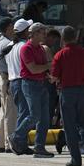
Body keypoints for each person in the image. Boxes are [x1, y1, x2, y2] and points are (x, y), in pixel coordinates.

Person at [50, 25, 84, 166]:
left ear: (63, 39)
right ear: (75, 37)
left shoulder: (59, 55)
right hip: (82, 92)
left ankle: (76, 159)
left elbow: (54, 78)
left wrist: (50, 77)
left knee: (69, 126)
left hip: (67, 92)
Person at [11, 22, 54, 157]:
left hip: (41, 84)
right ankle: (16, 136)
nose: (44, 35)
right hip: (30, 84)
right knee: (34, 115)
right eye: (42, 32)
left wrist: (49, 74)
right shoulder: (26, 48)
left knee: (44, 118)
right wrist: (48, 65)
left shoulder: (41, 49)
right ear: (34, 34)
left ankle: (39, 146)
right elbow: (33, 68)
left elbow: (41, 68)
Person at [3, 19, 31, 153]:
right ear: (25, 31)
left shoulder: (10, 45)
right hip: (22, 80)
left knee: (22, 112)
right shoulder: (24, 46)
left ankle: (21, 142)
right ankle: (19, 141)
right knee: (26, 113)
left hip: (13, 80)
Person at [0, 19, 18, 152]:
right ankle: (10, 144)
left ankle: (1, 143)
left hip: (2, 78)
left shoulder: (0, 41)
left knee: (4, 112)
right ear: (8, 28)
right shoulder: (7, 44)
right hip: (8, 78)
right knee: (11, 112)